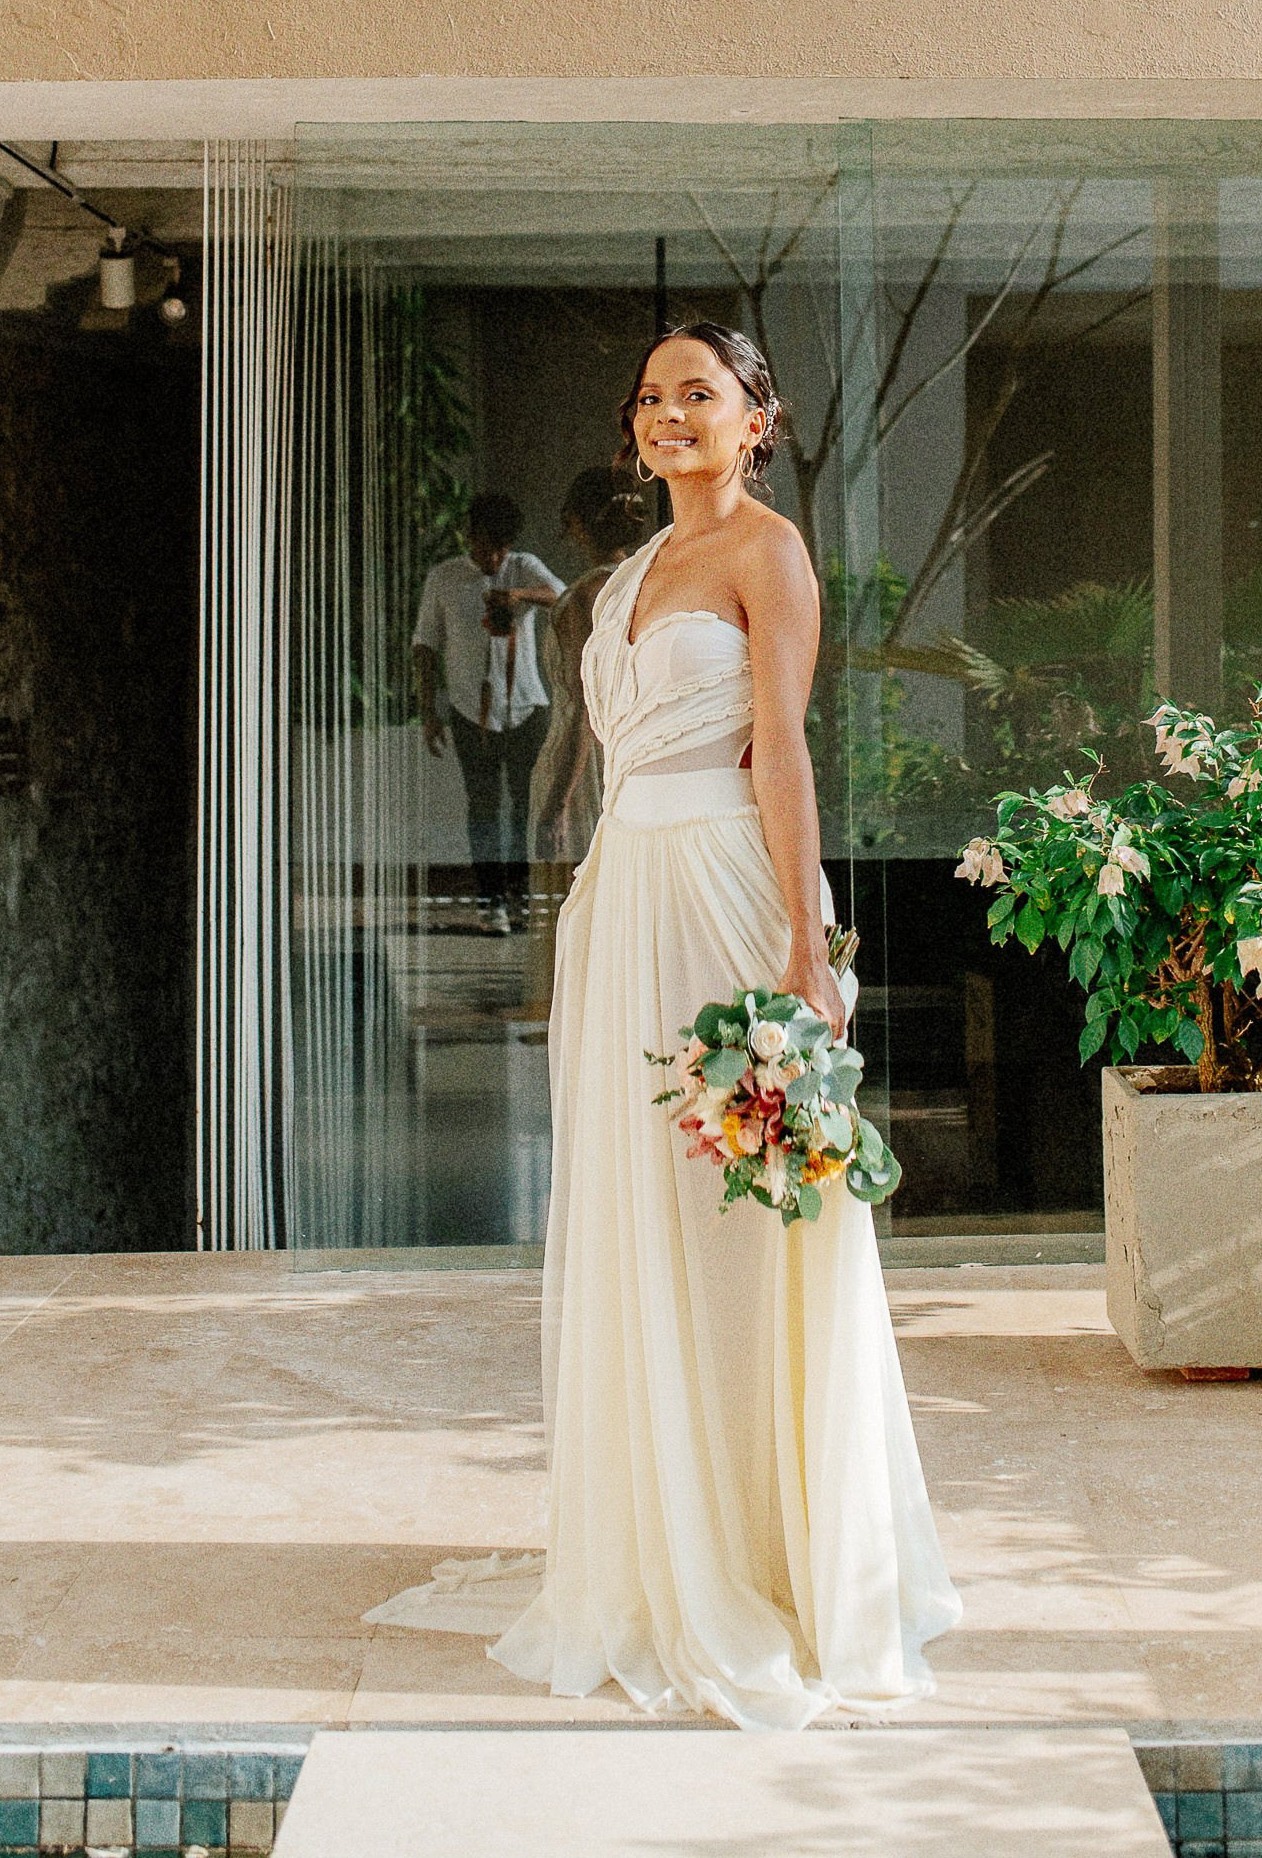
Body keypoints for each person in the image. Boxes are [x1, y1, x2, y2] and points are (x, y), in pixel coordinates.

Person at [493, 321, 960, 1724]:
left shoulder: (768, 554)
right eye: (647, 397)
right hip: (618, 895)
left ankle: (779, 1549)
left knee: (749, 1215)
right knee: (637, 1207)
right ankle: (656, 1540)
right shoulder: (624, 574)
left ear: (754, 418)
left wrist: (803, 950)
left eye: (694, 393)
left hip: (717, 893)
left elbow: (781, 749)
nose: (665, 415)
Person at [522, 466, 648, 1015]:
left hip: (582, 764)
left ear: (578, 523)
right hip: (633, 758)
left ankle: (564, 1009)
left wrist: (557, 803)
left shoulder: (581, 599)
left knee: (566, 892)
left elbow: (580, 710)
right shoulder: (649, 581)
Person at [412, 491, 563, 937]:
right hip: (467, 710)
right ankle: (489, 899)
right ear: (468, 537)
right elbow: (425, 644)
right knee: (482, 809)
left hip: (525, 708)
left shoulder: (524, 567)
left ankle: (517, 895)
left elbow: (562, 594)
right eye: (485, 546)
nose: (494, 556)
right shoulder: (444, 578)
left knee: (523, 808)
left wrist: (517, 595)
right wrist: (429, 710)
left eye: (501, 547)